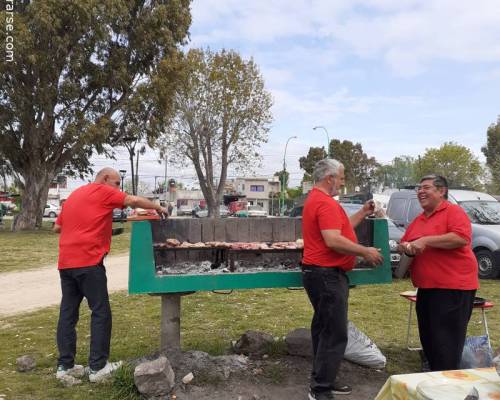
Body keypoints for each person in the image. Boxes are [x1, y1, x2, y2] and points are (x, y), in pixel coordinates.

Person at [53, 167, 168, 383]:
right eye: (116, 183)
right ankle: (98, 368)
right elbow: (132, 201)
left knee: (68, 314)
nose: (118, 189)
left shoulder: (75, 194)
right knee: (100, 312)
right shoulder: (102, 191)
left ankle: (64, 367)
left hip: (66, 263)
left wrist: (94, 223)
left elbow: (57, 228)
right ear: (105, 179)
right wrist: (157, 206)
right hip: (88, 261)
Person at [301, 159, 384, 400]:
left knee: (323, 329)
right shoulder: (324, 203)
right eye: (341, 177)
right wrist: (365, 251)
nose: (342, 182)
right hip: (326, 275)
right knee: (334, 333)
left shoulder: (317, 200)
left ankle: (323, 378)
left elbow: (340, 229)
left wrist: (362, 212)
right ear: (330, 178)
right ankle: (320, 390)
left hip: (320, 274)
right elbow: (333, 240)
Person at [398, 174, 478, 372]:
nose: (420, 191)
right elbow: (404, 243)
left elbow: (460, 238)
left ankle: (447, 385)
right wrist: (406, 247)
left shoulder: (454, 212)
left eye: (426, 187)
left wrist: (426, 240)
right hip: (426, 288)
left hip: (453, 288)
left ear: (441, 191)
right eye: (419, 188)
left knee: (446, 344)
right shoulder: (419, 220)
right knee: (430, 340)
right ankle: (436, 379)